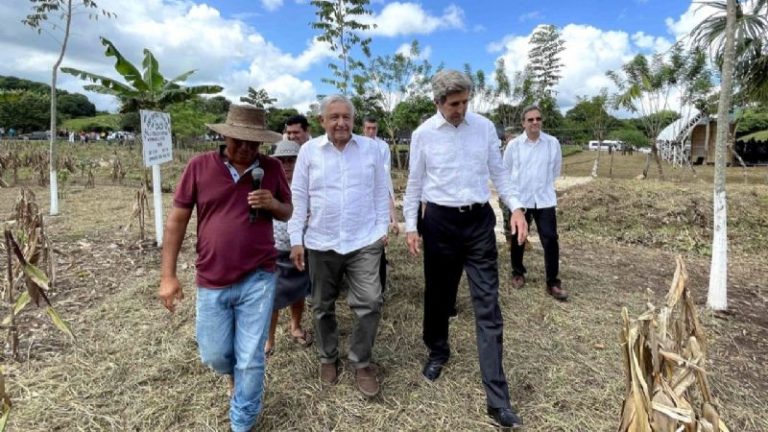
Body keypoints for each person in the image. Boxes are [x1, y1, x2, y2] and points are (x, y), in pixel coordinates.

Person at [403, 69, 528, 429]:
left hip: (477, 224)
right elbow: (414, 184)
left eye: (465, 102)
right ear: (438, 102)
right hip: (439, 224)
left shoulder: (484, 128)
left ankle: (497, 397)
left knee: (488, 304)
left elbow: (499, 172)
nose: (461, 109)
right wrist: (411, 226)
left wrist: (515, 207)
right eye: (454, 104)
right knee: (439, 295)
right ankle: (438, 349)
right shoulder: (423, 134)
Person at [158, 104, 291, 432]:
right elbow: (177, 221)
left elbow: (287, 211)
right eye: (238, 141)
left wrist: (272, 204)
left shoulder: (271, 168)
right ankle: (232, 376)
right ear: (225, 136)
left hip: (260, 275)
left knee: (251, 358)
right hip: (212, 277)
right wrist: (168, 276)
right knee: (216, 355)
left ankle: (241, 421)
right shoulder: (199, 166)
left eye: (254, 143)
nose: (246, 149)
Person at [288, 95, 389, 398]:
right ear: (322, 121)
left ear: (354, 120)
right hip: (321, 240)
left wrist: (382, 228)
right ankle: (328, 357)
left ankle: (361, 361)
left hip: (364, 240)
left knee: (370, 301)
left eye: (346, 117)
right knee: (321, 305)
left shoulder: (371, 149)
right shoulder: (309, 152)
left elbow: (380, 192)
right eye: (334, 117)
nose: (341, 122)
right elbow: (299, 197)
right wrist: (296, 239)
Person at [503, 105, 567, 301]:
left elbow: (556, 170)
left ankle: (553, 282)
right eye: (530, 119)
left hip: (544, 199)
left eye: (538, 119)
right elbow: (505, 171)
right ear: (523, 123)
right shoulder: (514, 146)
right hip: (520, 199)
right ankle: (518, 272)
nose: (535, 122)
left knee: (550, 238)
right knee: (518, 237)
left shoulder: (552, 143)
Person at [265, 140, 313, 356]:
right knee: (272, 297)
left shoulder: (308, 183)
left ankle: (295, 326)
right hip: (273, 248)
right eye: (281, 160)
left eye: (291, 159)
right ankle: (269, 339)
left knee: (298, 290)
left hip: (301, 248)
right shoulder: (268, 183)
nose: (286, 164)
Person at [362, 116, 398, 293]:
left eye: (374, 128)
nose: (370, 132)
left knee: (378, 242)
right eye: (368, 128)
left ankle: (380, 288)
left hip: (377, 197)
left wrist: (393, 214)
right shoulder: (356, 145)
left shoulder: (382, 147)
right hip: (361, 199)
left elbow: (385, 177)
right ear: (362, 128)